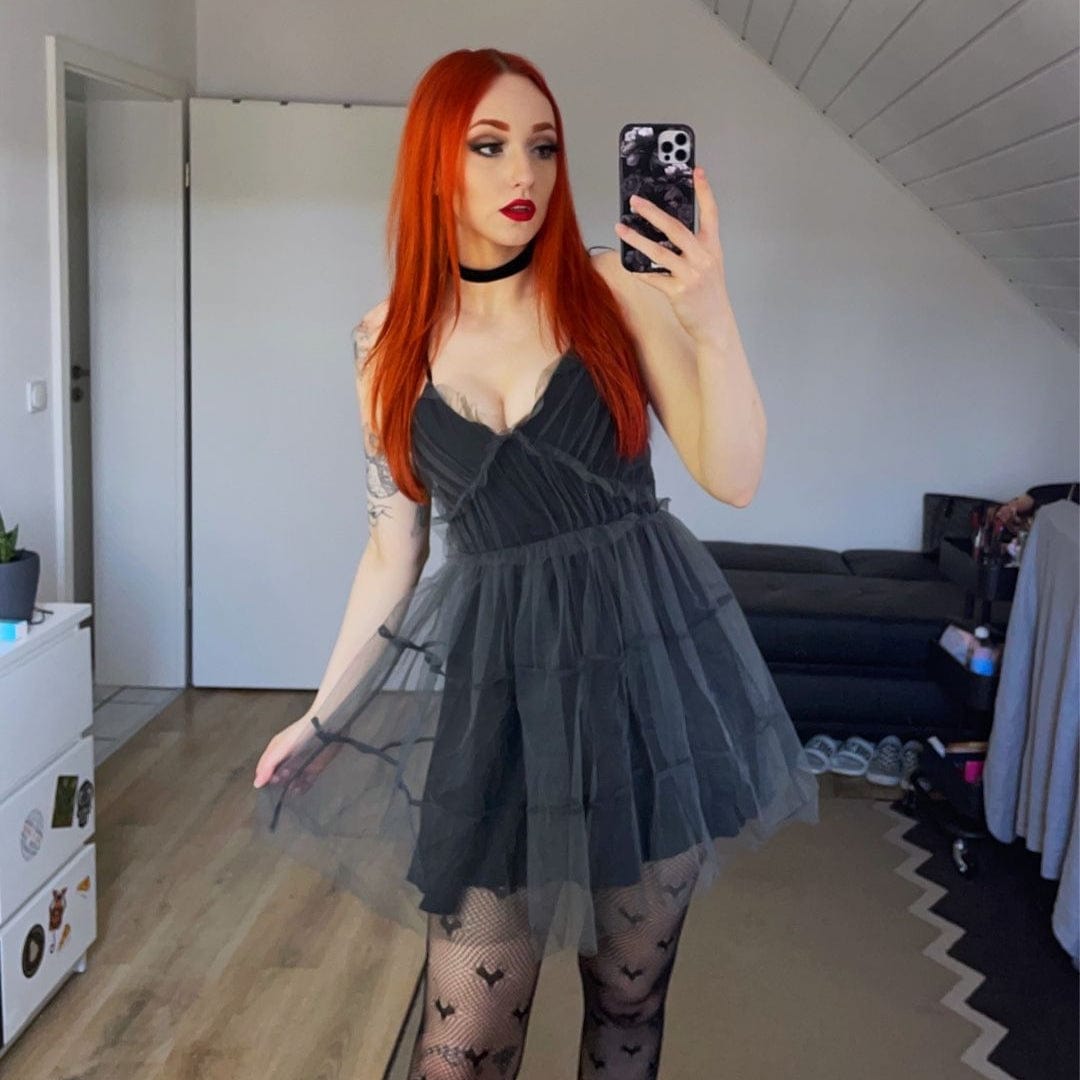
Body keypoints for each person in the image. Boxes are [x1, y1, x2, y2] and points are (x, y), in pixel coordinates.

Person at [252, 48, 819, 1079]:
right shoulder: (383, 343)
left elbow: (733, 475)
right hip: (501, 699)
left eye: (544, 147)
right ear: (434, 164)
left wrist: (711, 312)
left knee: (628, 1003)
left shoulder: (611, 288)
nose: (525, 174)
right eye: (489, 146)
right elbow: (391, 549)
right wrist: (322, 712)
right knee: (462, 1042)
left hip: (642, 675)